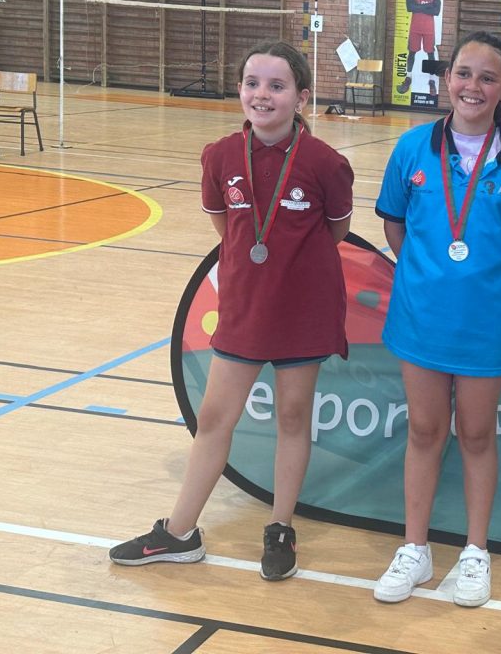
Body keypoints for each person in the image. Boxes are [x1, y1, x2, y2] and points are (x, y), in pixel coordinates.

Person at [109, 40, 354, 582]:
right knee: (216, 419)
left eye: (276, 86)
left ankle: (281, 526)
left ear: (301, 97)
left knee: (293, 419)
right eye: (252, 83)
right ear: (240, 89)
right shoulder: (220, 156)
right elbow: (227, 228)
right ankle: (179, 533)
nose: (261, 94)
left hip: (305, 310)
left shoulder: (325, 163)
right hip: (244, 309)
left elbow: (335, 231)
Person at [374, 31, 501, 607]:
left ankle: (476, 551)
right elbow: (395, 225)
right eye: (463, 73)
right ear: (447, 79)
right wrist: (427, 276)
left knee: (476, 435)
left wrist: (493, 286)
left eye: (488, 77)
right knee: (425, 431)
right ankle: (415, 548)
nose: (473, 86)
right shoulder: (412, 149)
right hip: (421, 318)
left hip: (488, 324)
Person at [397, 0, 442, 96]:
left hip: (429, 28)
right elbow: (409, 7)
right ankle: (408, 78)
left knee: (430, 54)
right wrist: (427, 6)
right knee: (412, 52)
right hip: (415, 27)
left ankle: (432, 80)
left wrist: (418, 7)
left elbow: (436, 11)